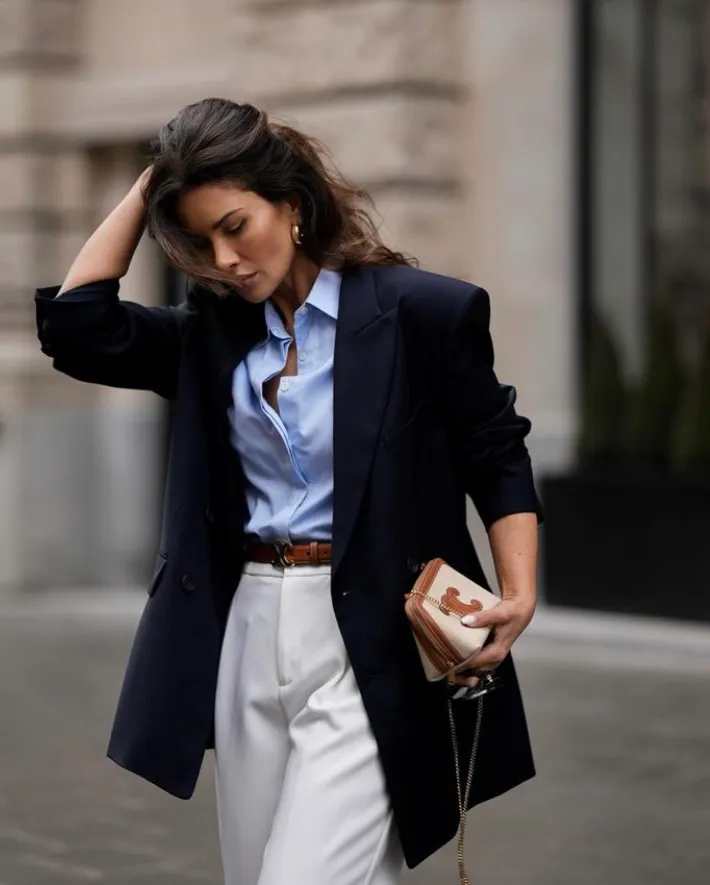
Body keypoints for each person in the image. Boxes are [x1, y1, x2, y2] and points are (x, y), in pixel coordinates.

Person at [34, 98, 543, 885]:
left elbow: (495, 449)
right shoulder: (212, 334)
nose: (225, 258)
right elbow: (76, 329)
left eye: (235, 225)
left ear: (293, 205)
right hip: (247, 625)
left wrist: (519, 589)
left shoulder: (420, 312)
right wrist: (150, 185)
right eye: (201, 242)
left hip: (372, 631)